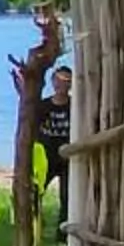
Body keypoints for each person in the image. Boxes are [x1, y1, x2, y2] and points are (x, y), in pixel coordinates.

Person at [34, 65, 74, 228]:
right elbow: (34, 130)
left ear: (71, 84)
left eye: (66, 81)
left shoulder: (75, 106)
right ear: (52, 82)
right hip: (46, 156)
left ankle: (63, 232)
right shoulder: (43, 106)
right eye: (57, 80)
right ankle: (35, 226)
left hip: (68, 158)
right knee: (35, 192)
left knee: (67, 197)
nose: (61, 85)